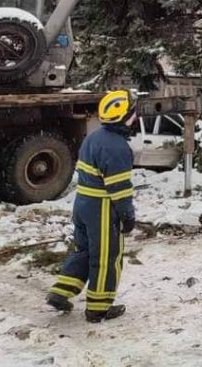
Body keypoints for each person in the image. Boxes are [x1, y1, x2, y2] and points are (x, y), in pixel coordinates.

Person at [46, 90, 137, 322]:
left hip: (83, 203)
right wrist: (127, 215)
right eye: (133, 113)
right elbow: (119, 187)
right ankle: (98, 307)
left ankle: (61, 291)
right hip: (102, 208)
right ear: (123, 116)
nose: (135, 117)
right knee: (106, 257)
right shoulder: (117, 147)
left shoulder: (94, 137)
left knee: (84, 251)